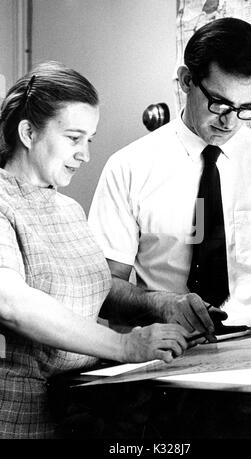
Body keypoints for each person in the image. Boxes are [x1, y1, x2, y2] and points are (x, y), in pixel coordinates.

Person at [0, 61, 193, 439]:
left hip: (81, 411)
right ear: (28, 132)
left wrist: (165, 305)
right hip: (21, 417)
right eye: (74, 138)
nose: (86, 154)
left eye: (89, 139)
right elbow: (11, 302)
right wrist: (124, 345)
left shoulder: (68, 209)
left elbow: (98, 298)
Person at [88, 17, 251, 334]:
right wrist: (162, 304)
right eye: (219, 103)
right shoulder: (129, 167)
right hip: (172, 347)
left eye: (247, 107)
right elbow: (102, 290)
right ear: (186, 81)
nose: (230, 122)